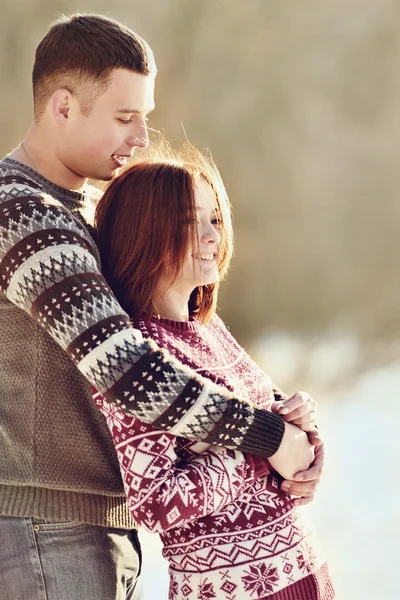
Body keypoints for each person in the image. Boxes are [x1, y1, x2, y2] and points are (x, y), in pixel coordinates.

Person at [0, 12, 323, 600]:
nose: (141, 138)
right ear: (63, 106)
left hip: (93, 524)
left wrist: (295, 439)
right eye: (126, 118)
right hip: (44, 527)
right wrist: (266, 438)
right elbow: (129, 370)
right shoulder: (21, 215)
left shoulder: (82, 214)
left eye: (144, 118)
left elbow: (177, 340)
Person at [93, 142, 335, 599]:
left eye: (215, 220)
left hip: (302, 573)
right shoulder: (135, 355)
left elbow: (274, 420)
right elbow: (155, 505)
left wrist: (306, 430)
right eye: (190, 223)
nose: (211, 236)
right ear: (143, 231)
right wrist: (262, 454)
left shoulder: (208, 328)